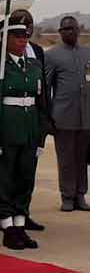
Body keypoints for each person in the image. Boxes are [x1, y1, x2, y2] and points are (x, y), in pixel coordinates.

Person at [0, 15, 48, 250]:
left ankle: (20, 226)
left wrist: (41, 135)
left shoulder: (34, 66)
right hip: (7, 132)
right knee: (5, 181)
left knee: (25, 180)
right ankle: (8, 227)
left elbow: (42, 104)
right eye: (17, 37)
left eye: (25, 37)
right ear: (6, 40)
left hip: (29, 131)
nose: (23, 41)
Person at [45, 16, 90, 212]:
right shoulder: (52, 55)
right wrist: (47, 116)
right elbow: (46, 88)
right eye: (64, 29)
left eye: (71, 28)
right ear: (60, 32)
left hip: (86, 117)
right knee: (65, 159)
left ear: (78, 30)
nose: (68, 32)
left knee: (82, 158)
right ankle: (67, 197)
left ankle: (81, 195)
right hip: (63, 117)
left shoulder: (88, 53)